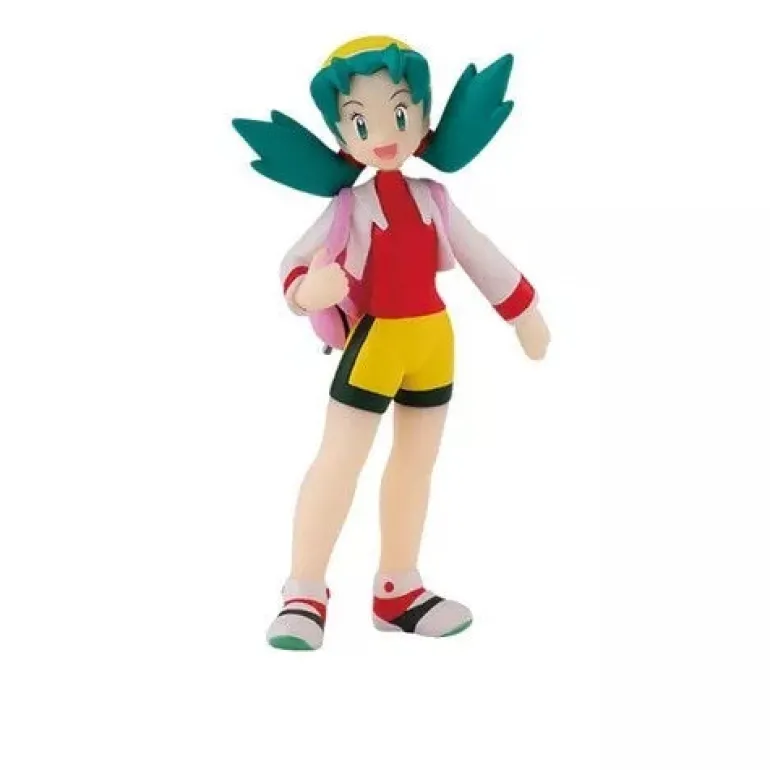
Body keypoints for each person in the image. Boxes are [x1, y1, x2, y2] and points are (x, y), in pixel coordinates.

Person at [233, 35, 550, 650]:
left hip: (433, 343)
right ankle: (304, 590)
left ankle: (398, 588)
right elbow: (293, 265)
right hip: (375, 344)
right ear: (340, 134)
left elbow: (480, 255)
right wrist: (309, 290)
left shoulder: (435, 198)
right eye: (360, 121)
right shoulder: (348, 206)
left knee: (415, 464)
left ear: (424, 117)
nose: (382, 134)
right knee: (340, 460)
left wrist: (523, 311)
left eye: (400, 113)